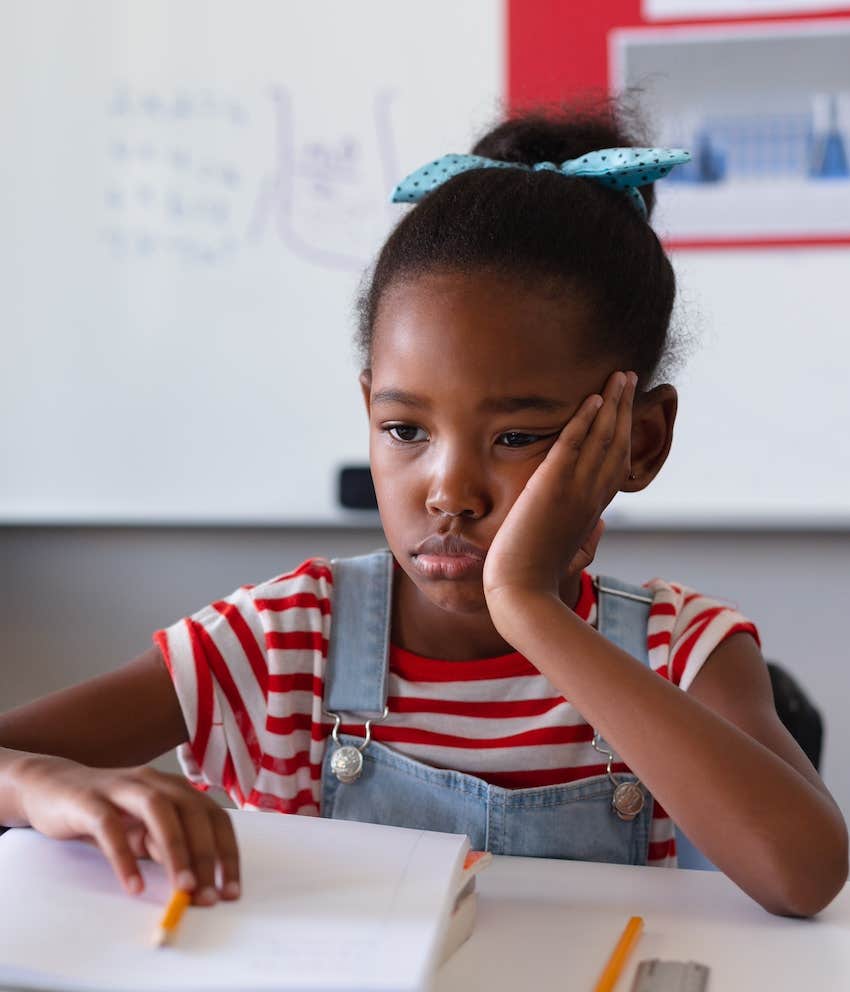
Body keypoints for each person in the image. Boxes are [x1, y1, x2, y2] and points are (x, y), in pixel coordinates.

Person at [0, 96, 846, 919]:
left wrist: (528, 606)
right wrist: (44, 784)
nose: (448, 490)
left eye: (516, 437)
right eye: (404, 429)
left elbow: (805, 875)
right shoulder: (279, 643)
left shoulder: (684, 652)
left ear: (639, 441)